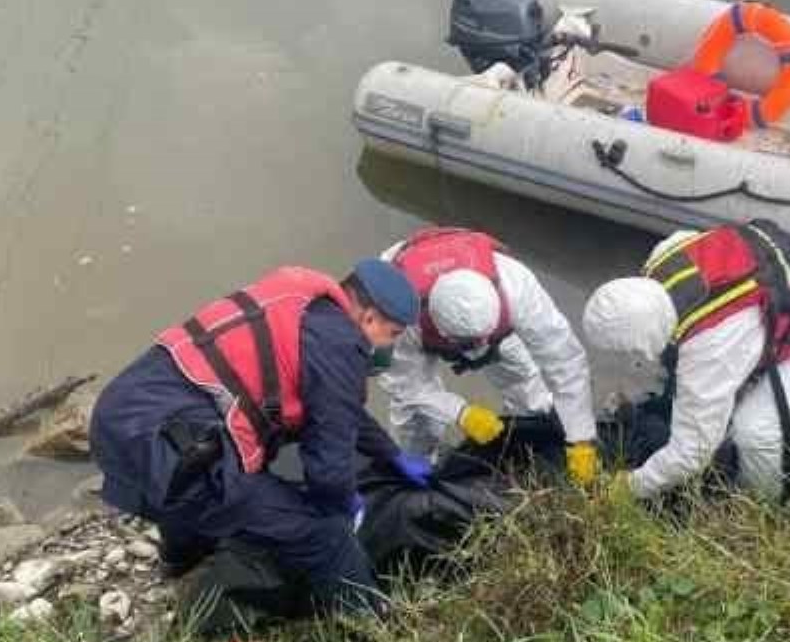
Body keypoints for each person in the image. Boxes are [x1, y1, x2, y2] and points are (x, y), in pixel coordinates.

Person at [88, 261, 430, 616]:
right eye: (391, 334)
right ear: (370, 318)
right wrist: (346, 504)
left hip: (118, 419)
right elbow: (328, 473)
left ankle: (179, 562)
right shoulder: (341, 343)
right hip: (168, 447)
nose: (387, 346)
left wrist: (390, 453)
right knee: (323, 534)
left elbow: (337, 409)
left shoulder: (301, 301)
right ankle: (372, 626)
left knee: (196, 481)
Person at [581, 219, 790, 501]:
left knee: (754, 428)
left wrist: (628, 487)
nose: (630, 356)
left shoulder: (711, 348)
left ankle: (762, 504)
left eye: (628, 349)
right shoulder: (661, 260)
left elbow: (692, 453)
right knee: (718, 401)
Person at [376, 227, 600, 485]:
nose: (478, 349)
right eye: (469, 343)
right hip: (417, 318)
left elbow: (565, 361)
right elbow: (406, 386)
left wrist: (580, 436)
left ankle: (530, 431)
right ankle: (416, 463)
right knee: (414, 416)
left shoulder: (516, 287)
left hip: (493, 327)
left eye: (482, 338)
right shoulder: (398, 312)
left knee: (523, 380)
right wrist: (460, 412)